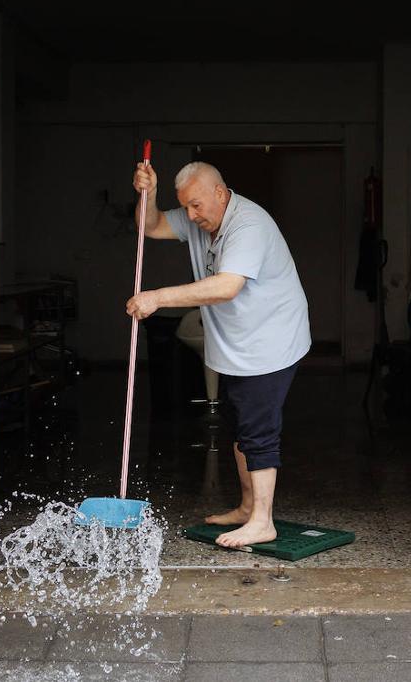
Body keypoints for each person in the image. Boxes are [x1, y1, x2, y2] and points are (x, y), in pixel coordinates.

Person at [128, 159, 311, 548]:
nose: (191, 216)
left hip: (271, 340)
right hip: (238, 342)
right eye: (186, 206)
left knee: (258, 431)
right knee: (240, 425)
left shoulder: (249, 224)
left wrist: (158, 297)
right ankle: (248, 509)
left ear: (220, 193)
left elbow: (227, 286)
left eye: (196, 205)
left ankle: (263, 521)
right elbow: (152, 225)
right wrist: (150, 192)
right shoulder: (199, 218)